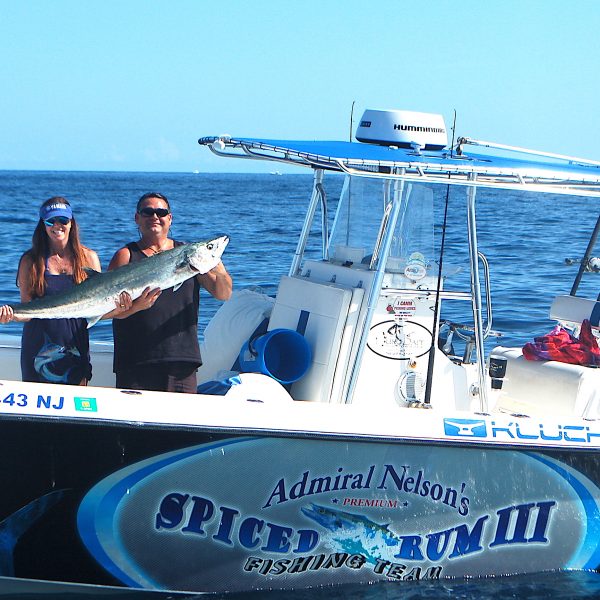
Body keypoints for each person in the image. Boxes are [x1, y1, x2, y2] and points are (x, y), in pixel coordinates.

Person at [109, 192, 232, 393]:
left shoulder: (190, 254)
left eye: (161, 212)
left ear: (170, 218)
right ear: (137, 218)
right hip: (135, 359)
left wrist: (219, 268)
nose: (155, 217)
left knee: (180, 423)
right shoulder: (125, 255)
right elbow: (109, 310)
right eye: (148, 212)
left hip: (181, 359)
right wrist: (136, 307)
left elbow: (223, 294)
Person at [0, 197, 131, 385]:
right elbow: (27, 311)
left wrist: (121, 309)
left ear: (72, 223)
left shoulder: (89, 258)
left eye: (63, 220)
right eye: (50, 221)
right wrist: (9, 315)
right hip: (39, 348)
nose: (57, 225)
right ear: (43, 225)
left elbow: (98, 309)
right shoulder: (31, 260)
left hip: (75, 345)